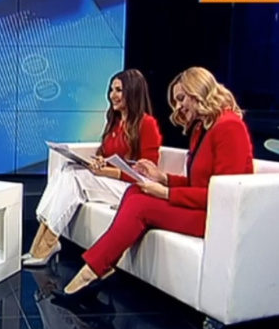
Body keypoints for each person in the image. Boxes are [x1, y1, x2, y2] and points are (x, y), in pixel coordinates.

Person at [55, 66, 253, 299]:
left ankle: (91, 272)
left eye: (181, 99)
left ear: (198, 92)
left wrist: (164, 192)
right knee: (135, 191)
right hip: (203, 207)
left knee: (140, 206)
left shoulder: (229, 127)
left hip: (215, 218)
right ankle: (102, 266)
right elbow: (198, 182)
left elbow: (224, 196)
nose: (178, 107)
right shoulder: (203, 128)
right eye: (176, 101)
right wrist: (163, 178)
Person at [23, 69, 162, 266]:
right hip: (111, 182)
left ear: (132, 91)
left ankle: (46, 244)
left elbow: (148, 177)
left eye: (118, 90)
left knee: (76, 178)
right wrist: (99, 161)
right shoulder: (115, 122)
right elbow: (105, 154)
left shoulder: (147, 124)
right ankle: (42, 242)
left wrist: (110, 171)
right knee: (67, 169)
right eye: (111, 89)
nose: (112, 95)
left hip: (132, 189)